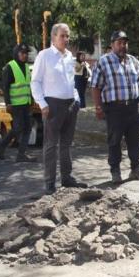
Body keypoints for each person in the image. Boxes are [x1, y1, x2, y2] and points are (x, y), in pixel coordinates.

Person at [30, 23, 87, 194]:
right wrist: (42, 103)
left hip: (70, 104)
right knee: (50, 145)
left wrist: (76, 99)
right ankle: (49, 183)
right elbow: (35, 82)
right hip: (52, 105)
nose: (66, 39)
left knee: (66, 144)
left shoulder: (69, 56)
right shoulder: (44, 55)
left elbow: (72, 81)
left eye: (67, 36)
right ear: (53, 37)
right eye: (62, 36)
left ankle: (67, 178)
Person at [90, 30, 139, 184]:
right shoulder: (103, 62)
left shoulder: (134, 61)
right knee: (114, 141)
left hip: (133, 108)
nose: (122, 46)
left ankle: (136, 170)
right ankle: (115, 172)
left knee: (134, 140)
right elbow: (95, 87)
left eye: (124, 43)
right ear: (112, 45)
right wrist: (98, 107)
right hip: (114, 109)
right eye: (119, 43)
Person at [0, 44, 36, 162]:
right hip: (15, 104)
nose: (25, 55)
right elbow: (5, 87)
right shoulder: (10, 67)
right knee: (18, 128)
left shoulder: (26, 67)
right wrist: (7, 103)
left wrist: (32, 100)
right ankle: (2, 145)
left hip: (26, 103)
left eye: (26, 53)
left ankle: (21, 154)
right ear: (16, 54)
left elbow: (28, 85)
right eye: (22, 53)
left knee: (28, 128)